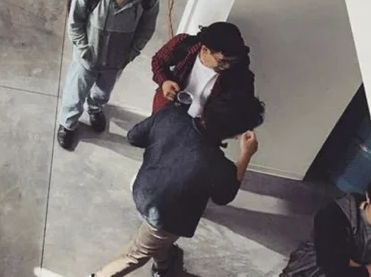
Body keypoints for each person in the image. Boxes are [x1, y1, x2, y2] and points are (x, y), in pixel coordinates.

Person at [90, 93, 264, 277]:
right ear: (236, 134)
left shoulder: (171, 116)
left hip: (143, 187)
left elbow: (134, 136)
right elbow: (224, 196)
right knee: (135, 255)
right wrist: (246, 155)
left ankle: (164, 265)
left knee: (158, 243)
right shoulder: (219, 165)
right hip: (165, 217)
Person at [57, 0, 160, 151]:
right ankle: (67, 125)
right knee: (75, 92)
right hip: (88, 56)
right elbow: (75, 21)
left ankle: (95, 108)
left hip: (117, 59)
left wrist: (131, 53)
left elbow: (147, 28)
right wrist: (83, 50)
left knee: (103, 91)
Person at [151, 21, 253, 117]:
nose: (227, 66)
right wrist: (164, 81)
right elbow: (158, 60)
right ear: (204, 50)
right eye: (221, 61)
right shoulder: (184, 44)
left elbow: (244, 106)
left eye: (231, 61)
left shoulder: (239, 70)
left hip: (199, 127)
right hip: (165, 111)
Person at [280, 183, 371, 276]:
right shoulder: (335, 215)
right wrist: (366, 271)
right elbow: (332, 266)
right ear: (368, 197)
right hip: (312, 270)